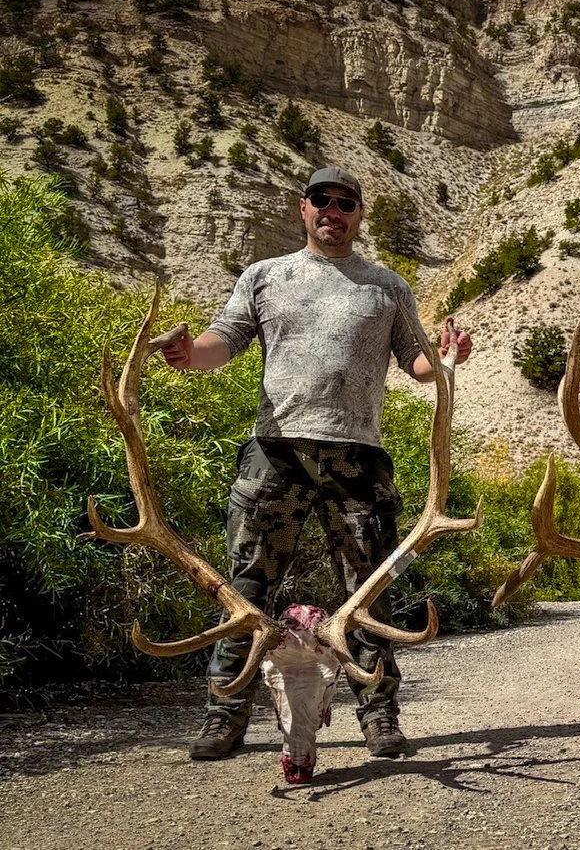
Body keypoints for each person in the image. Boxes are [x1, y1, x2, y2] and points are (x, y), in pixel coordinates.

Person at [161, 166, 473, 762]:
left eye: (345, 202)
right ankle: (224, 713)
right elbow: (220, 342)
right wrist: (188, 353)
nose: (333, 210)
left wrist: (448, 356)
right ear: (303, 208)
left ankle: (379, 716)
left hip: (358, 457)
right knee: (246, 589)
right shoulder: (265, 276)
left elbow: (417, 362)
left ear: (359, 214)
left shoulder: (386, 287)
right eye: (322, 200)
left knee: (368, 591)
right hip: (275, 451)